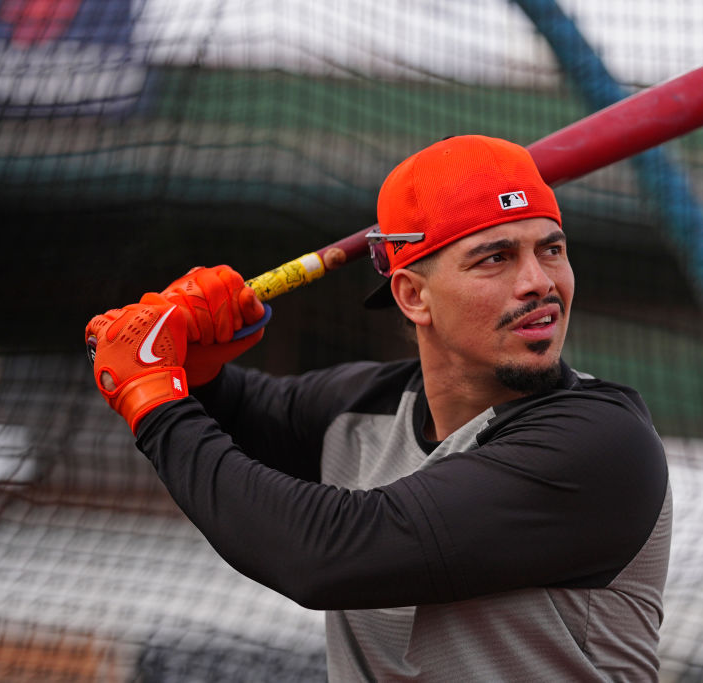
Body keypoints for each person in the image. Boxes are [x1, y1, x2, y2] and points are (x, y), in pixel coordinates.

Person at [85, 135, 672, 681]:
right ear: (413, 295)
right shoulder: (363, 406)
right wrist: (196, 365)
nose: (538, 282)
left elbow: (324, 553)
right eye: (495, 257)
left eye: (551, 249)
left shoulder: (600, 443)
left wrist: (152, 396)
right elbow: (235, 410)